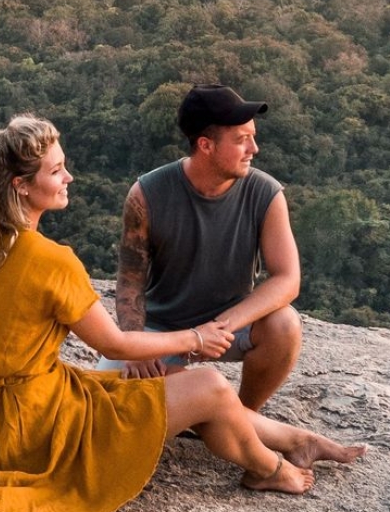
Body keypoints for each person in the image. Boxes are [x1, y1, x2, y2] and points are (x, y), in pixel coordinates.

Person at [0, 114, 364, 512]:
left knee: (144, 388)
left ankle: (297, 439)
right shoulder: (52, 262)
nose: (68, 179)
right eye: (57, 171)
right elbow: (114, 339)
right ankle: (270, 468)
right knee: (209, 385)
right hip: (39, 428)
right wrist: (195, 338)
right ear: (23, 185)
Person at [99, 84, 301, 411]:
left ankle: (245, 414)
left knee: (285, 325)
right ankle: (205, 403)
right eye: (241, 140)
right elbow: (130, 280)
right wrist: (136, 347)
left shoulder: (266, 194)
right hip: (161, 328)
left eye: (253, 136)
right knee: (107, 405)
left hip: (228, 324)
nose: (255, 148)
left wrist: (218, 328)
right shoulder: (146, 194)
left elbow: (287, 279)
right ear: (205, 145)